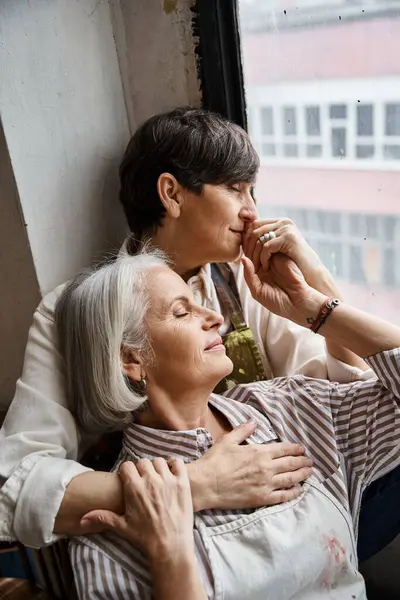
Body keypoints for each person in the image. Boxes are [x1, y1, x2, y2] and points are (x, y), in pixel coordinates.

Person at [0, 108, 393, 560]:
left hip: (282, 523)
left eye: (253, 192)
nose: (253, 213)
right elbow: (18, 488)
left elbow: (349, 399)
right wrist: (197, 485)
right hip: (162, 553)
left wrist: (315, 282)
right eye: (235, 189)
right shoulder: (71, 311)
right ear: (172, 194)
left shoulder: (246, 285)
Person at [55, 248, 400, 599]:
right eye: (181, 311)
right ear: (132, 359)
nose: (215, 316)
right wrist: (170, 556)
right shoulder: (107, 536)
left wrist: (317, 310)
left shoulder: (290, 407)